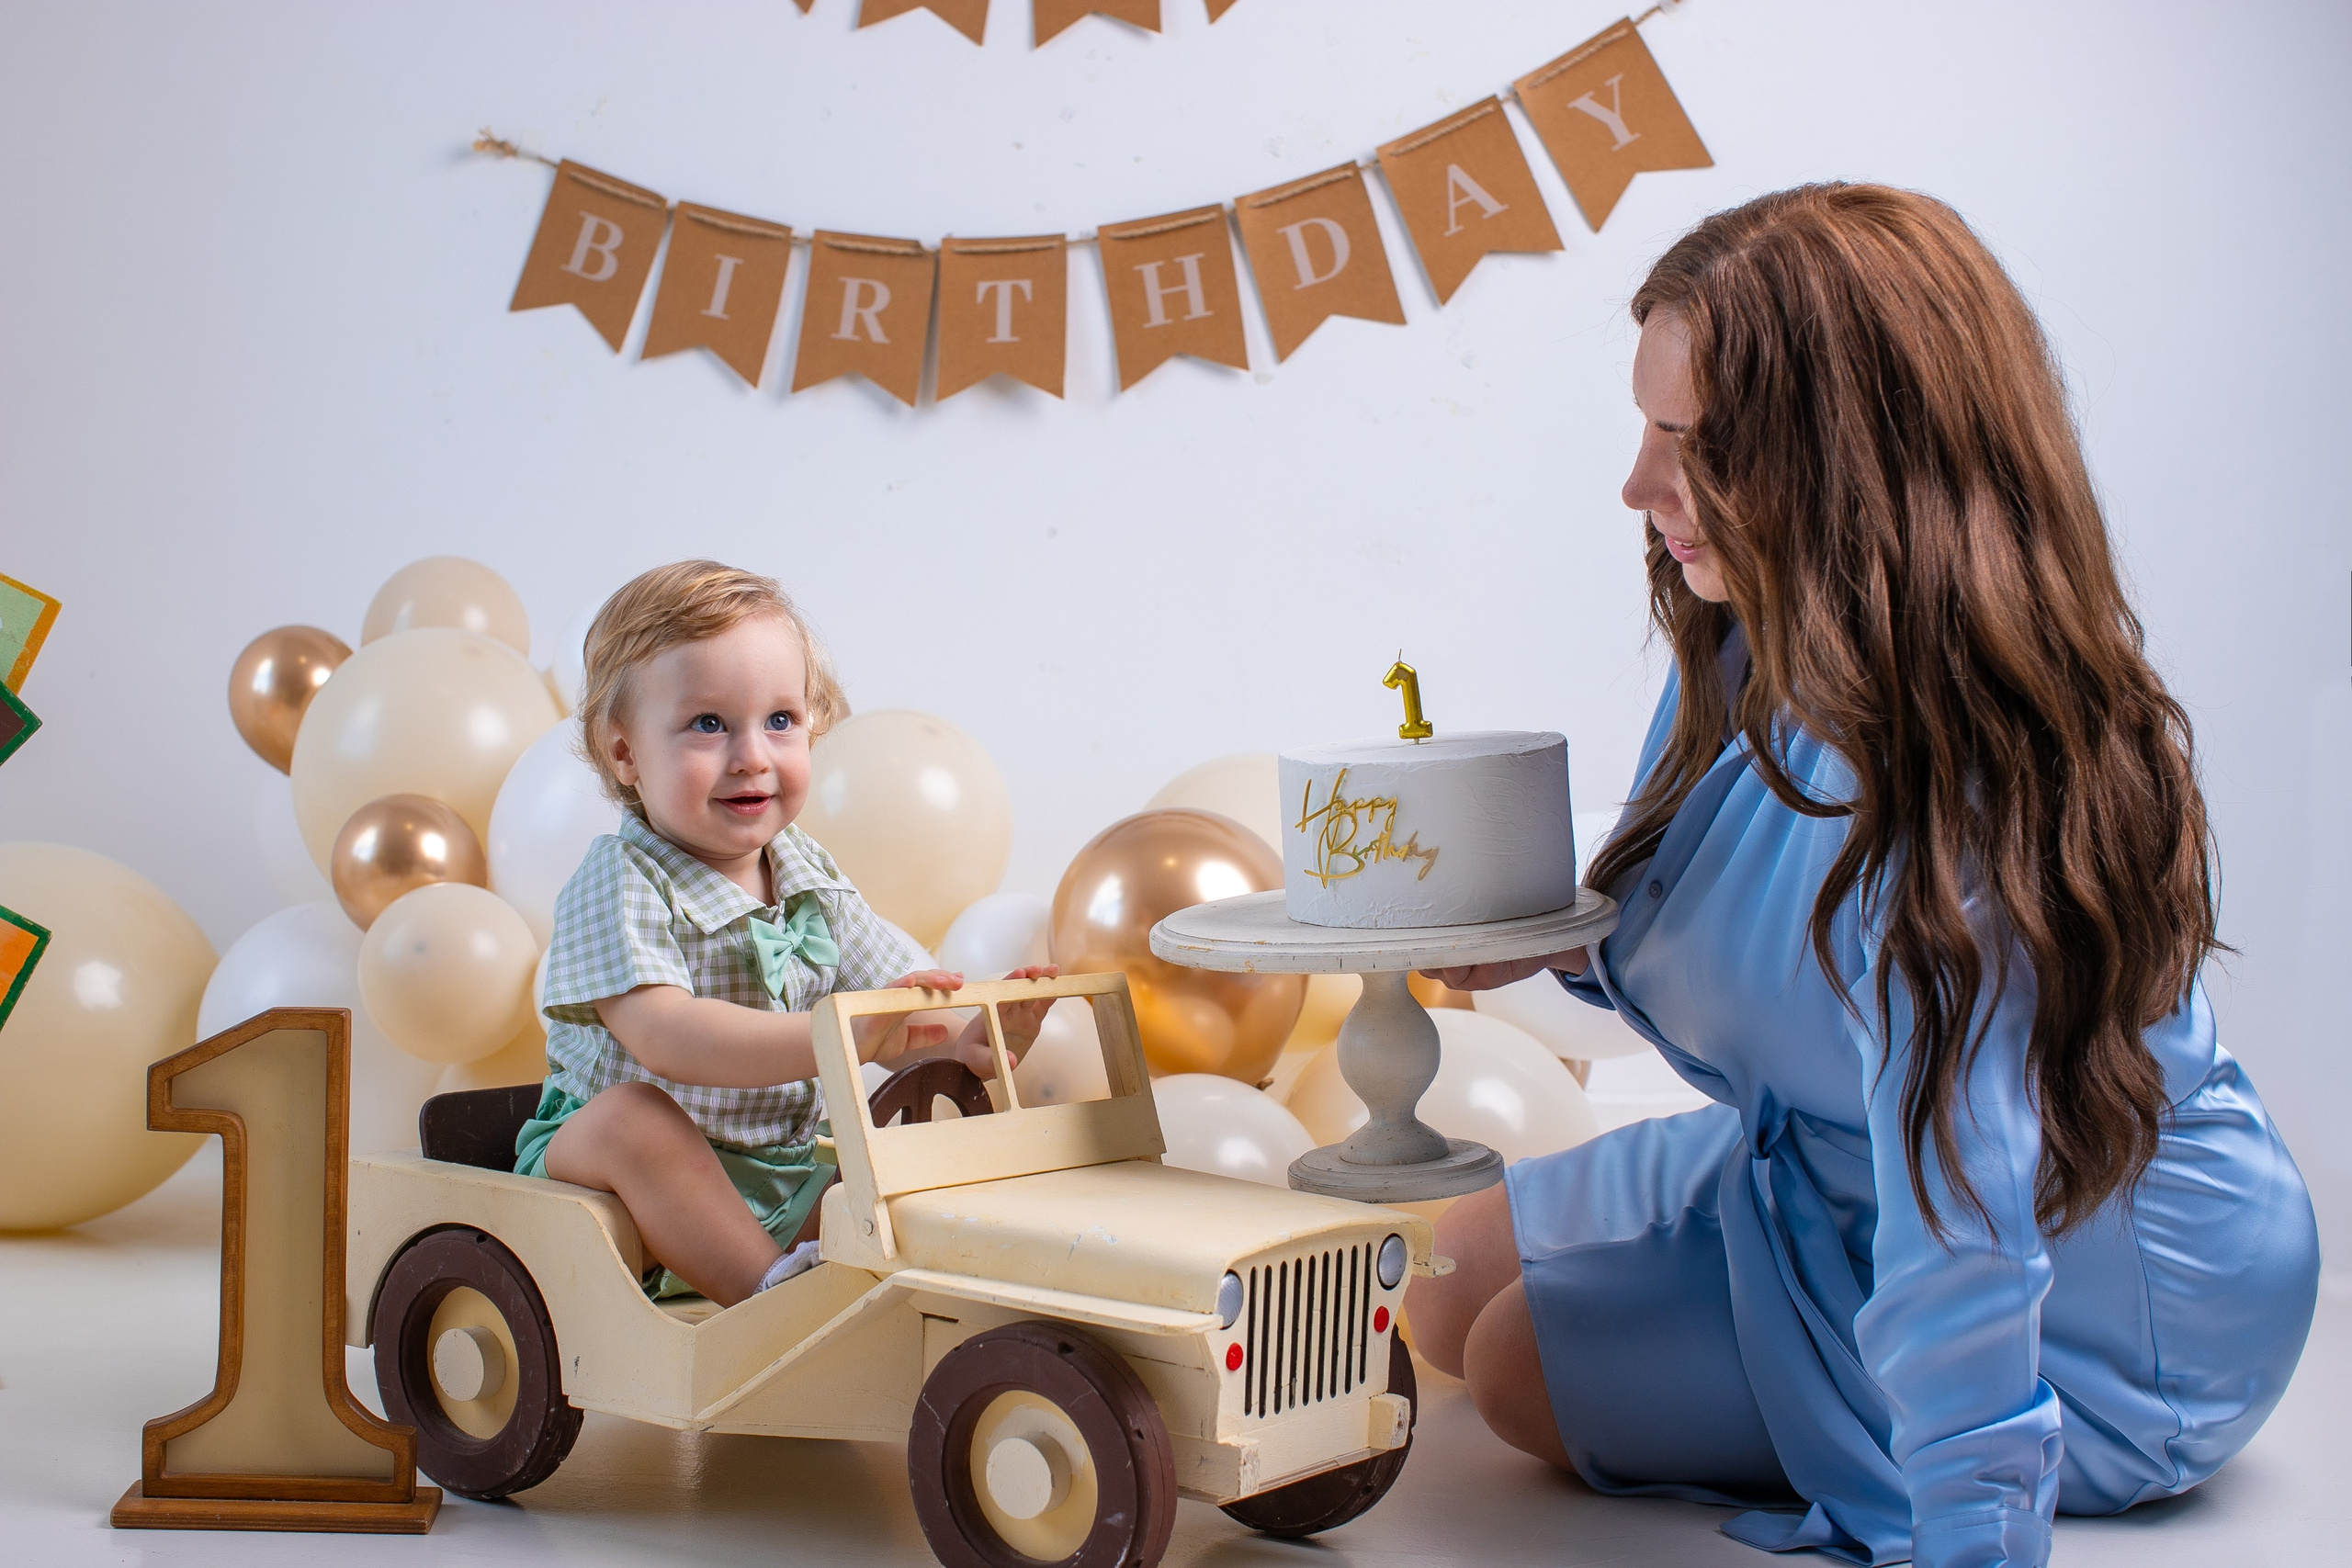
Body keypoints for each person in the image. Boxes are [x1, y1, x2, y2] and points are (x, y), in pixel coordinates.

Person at [1408, 185, 2319, 1568]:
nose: (1639, 488)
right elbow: (1763, 926)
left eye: (1690, 444)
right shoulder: (1748, 636)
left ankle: (2058, 1409)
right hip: (1825, 1158)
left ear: (1839, 464)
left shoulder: (1960, 796)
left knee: (1512, 1362)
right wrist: (1555, 936)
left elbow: (1967, 1215)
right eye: (1646, 429)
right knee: (1433, 1274)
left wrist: (1972, 1527)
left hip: (2101, 1279)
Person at [514, 560, 1054, 1307]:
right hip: (613, 1179)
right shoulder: (622, 879)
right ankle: (768, 1299)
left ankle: (857, 1289)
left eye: (780, 720)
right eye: (709, 724)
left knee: (894, 1159)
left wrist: (962, 1040)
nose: (752, 755)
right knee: (633, 1121)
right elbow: (667, 1035)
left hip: (780, 1175)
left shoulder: (807, 874)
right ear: (625, 753)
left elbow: (894, 998)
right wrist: (841, 1038)